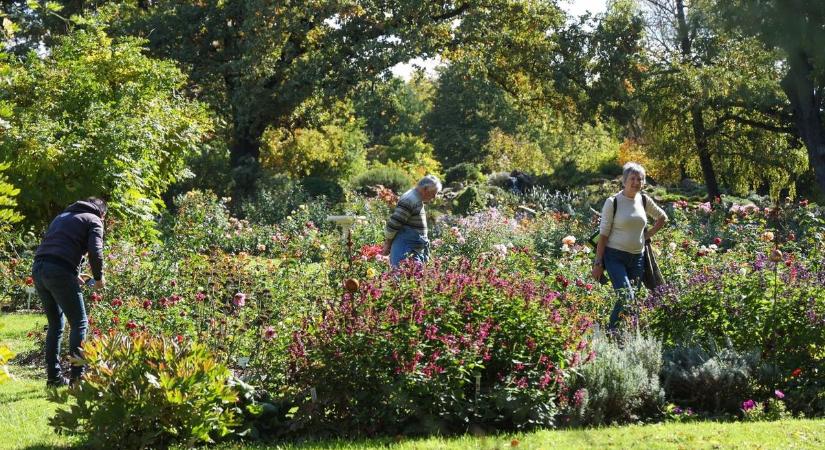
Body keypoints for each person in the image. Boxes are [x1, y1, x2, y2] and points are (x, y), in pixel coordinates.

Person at [32, 197, 107, 387]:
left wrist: (75, 272)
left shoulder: (62, 216)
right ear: (103, 214)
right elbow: (96, 251)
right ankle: (77, 379)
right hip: (58, 271)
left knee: (56, 325)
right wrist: (98, 278)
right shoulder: (94, 219)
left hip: (39, 269)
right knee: (80, 323)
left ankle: (54, 378)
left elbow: (59, 245)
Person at [591, 163, 667, 330]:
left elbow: (662, 218)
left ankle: (623, 333)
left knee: (632, 300)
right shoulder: (613, 202)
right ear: (624, 180)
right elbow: (603, 235)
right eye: (632, 178)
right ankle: (611, 332)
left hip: (637, 259)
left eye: (639, 179)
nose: (636, 182)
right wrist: (597, 264)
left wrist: (648, 235)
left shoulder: (644, 200)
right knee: (627, 296)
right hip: (615, 257)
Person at [382, 175, 442, 267]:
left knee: (412, 278)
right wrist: (387, 244)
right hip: (406, 249)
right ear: (425, 189)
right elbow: (394, 224)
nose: (434, 196)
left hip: (411, 247)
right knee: (403, 277)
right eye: (434, 193)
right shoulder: (410, 199)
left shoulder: (416, 198)